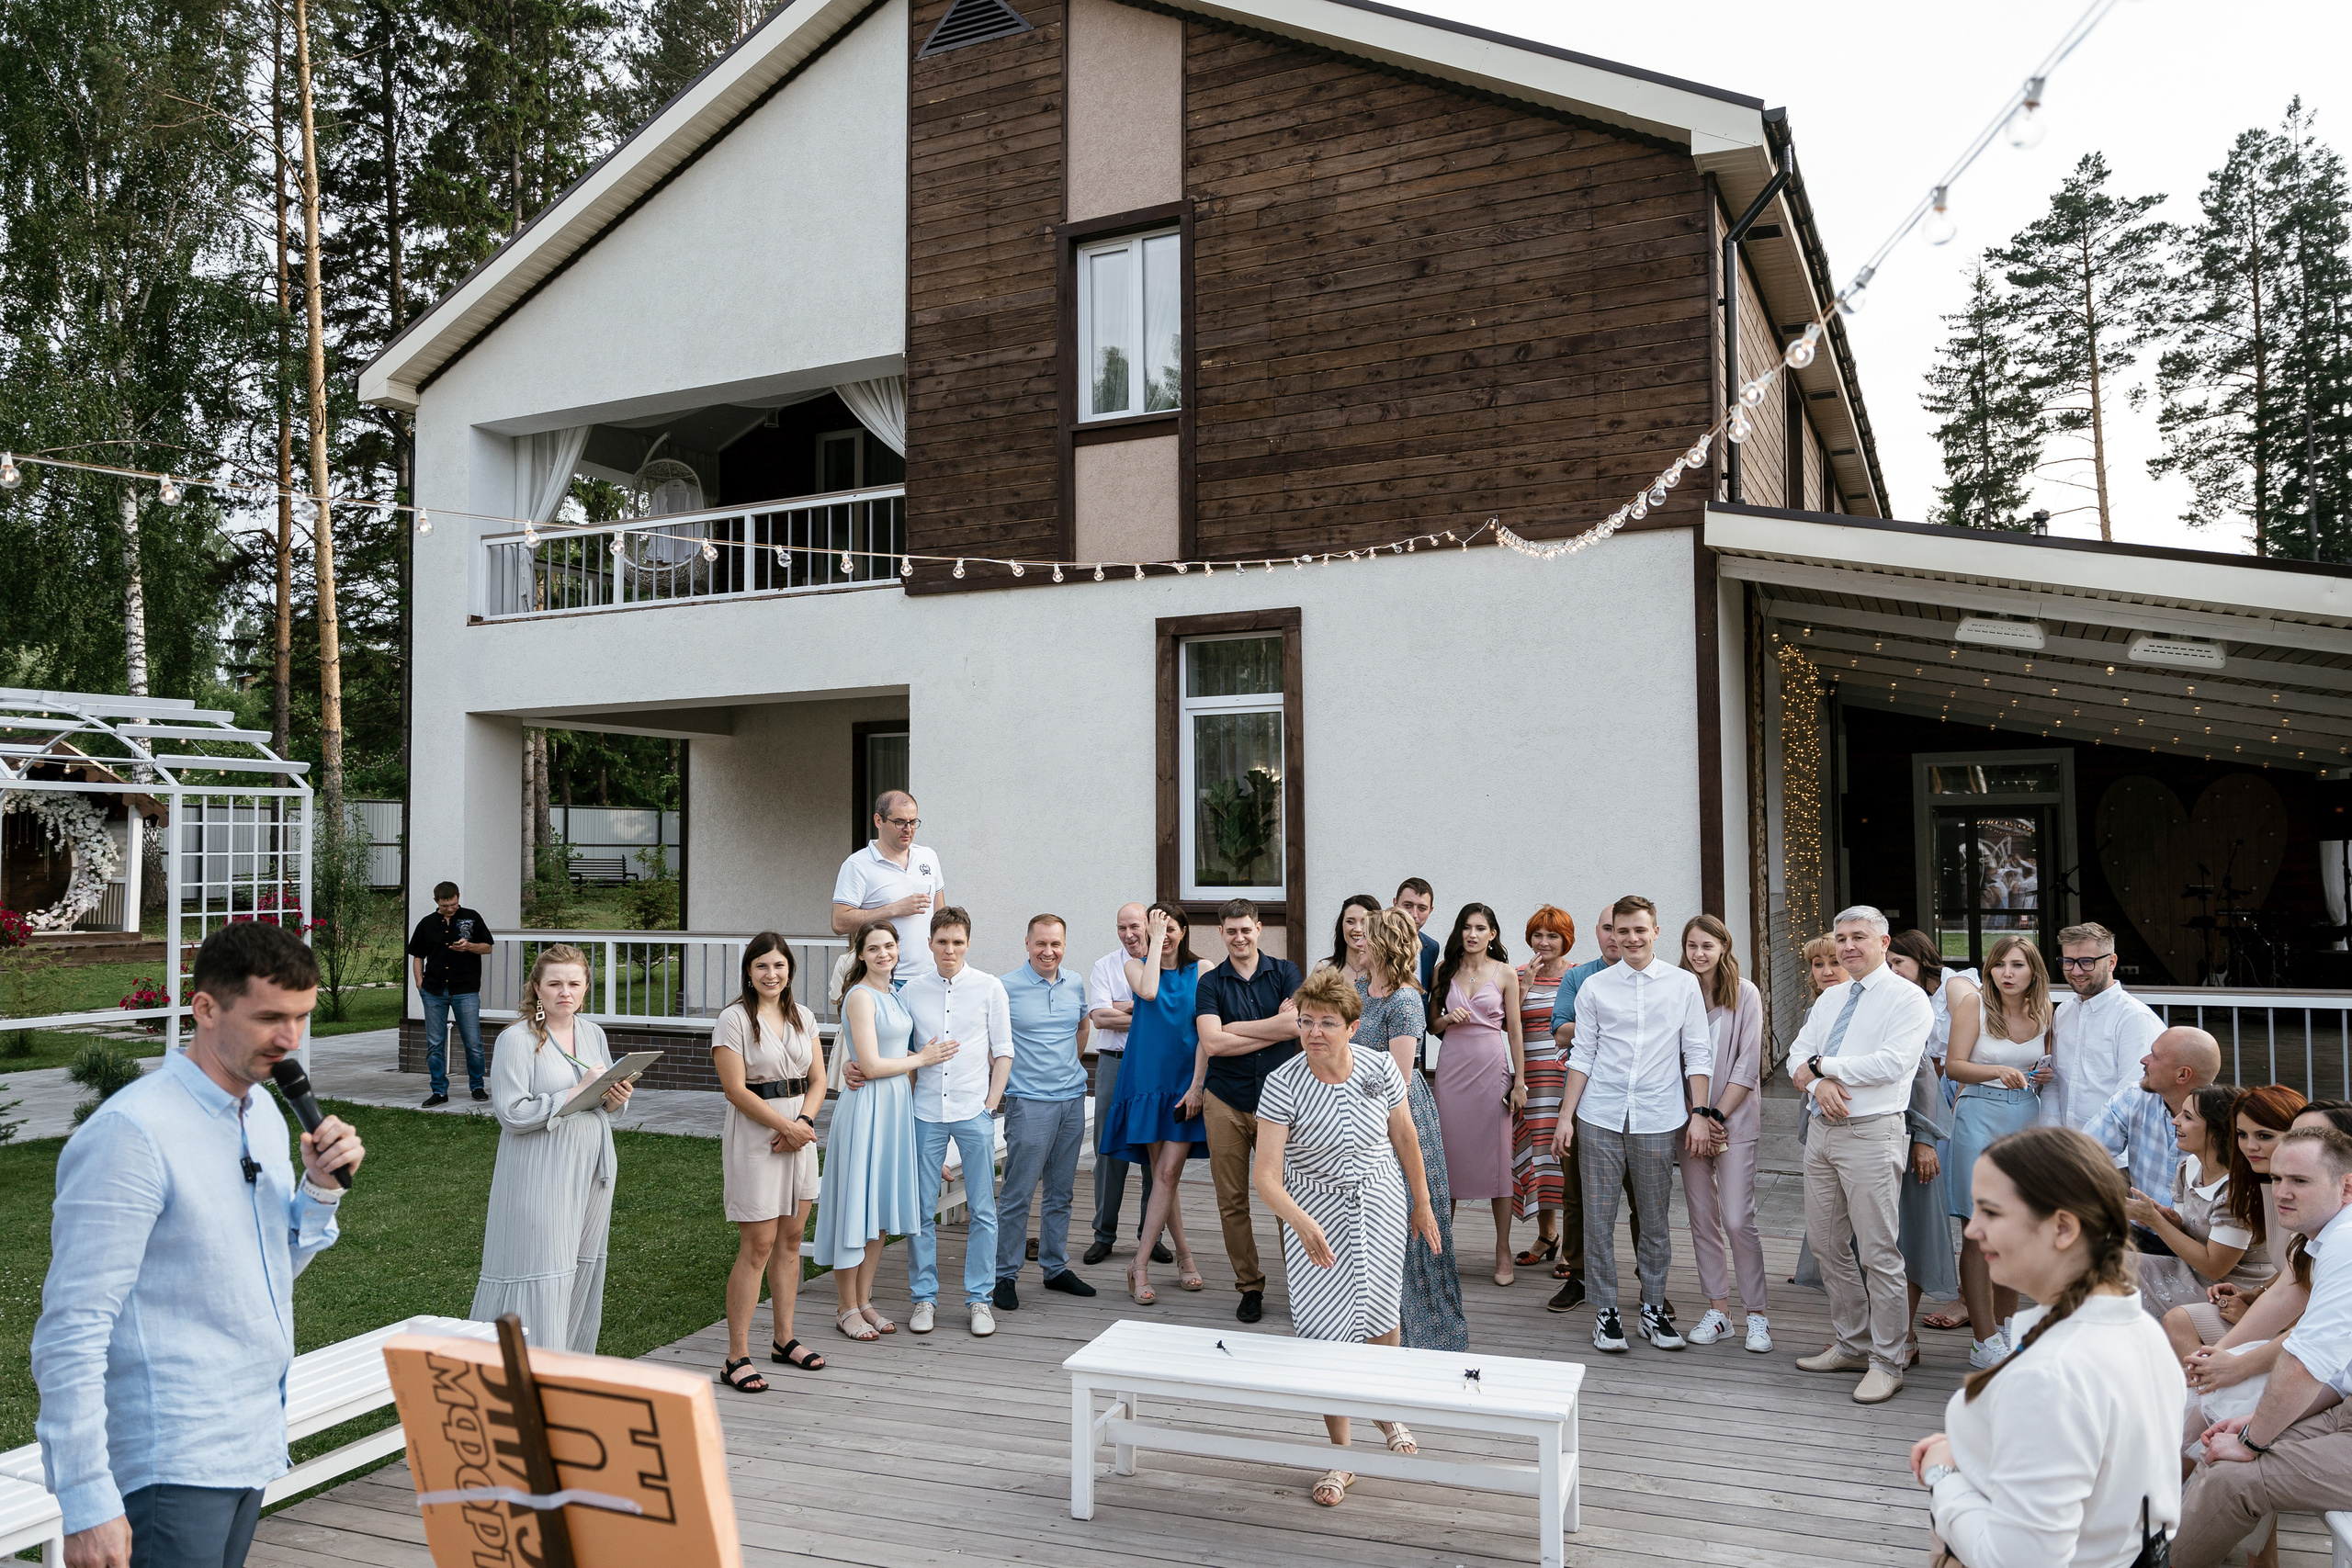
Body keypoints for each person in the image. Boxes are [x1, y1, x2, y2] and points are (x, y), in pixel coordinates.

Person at [32, 922, 364, 1568]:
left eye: (301, 1016)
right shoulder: (132, 1133)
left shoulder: (263, 1112)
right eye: (270, 1016)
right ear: (206, 1008)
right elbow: (70, 1330)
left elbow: (261, 1269)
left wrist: (320, 1189)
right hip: (171, 1458)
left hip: (251, 1438)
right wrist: (85, 1497)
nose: (289, 1038)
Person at [1909, 1125, 2184, 1568]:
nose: (1974, 1229)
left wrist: (1946, 1475)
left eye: (1991, 1212)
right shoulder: (2140, 1329)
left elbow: (2018, 1560)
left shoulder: (2051, 1374)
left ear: (2062, 1227)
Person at [1250, 965, 1446, 1509]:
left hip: (1380, 1200)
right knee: (1323, 1334)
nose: (1315, 1031)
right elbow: (1265, 1176)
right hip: (1312, 1208)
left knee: (1383, 1316)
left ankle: (1386, 1410)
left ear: (1352, 1027)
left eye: (1327, 1022)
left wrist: (1423, 1204)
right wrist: (1301, 1220)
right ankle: (1342, 1454)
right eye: (1306, 1021)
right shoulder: (1282, 1082)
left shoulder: (1380, 1068)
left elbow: (1404, 1135)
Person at [2173, 1126, 2352, 1567]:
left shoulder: (2346, 1245)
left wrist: (2253, 1442)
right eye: (2277, 1179)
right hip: (2344, 1406)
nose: (2282, 1193)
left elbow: (2304, 1363)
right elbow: (2338, 1370)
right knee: (2219, 1449)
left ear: (2347, 1187)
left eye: (2301, 1181)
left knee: (2235, 1477)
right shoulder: (2326, 1239)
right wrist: (2252, 1425)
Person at [1789, 905, 1934, 1404]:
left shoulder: (1907, 998)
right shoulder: (1830, 1000)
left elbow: (1894, 1064)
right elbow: (1795, 1056)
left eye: (1859, 938)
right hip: (1823, 1133)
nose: (1848, 947)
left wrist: (1824, 1067)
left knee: (1878, 1252)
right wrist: (1819, 1080)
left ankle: (1889, 1360)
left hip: (1872, 1134)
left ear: (1884, 942)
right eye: (1841, 937)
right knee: (1828, 1245)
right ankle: (1852, 1342)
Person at [1555, 896, 1713, 1354]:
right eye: (1621, 931)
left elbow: (1697, 1054)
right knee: (1599, 1218)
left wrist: (1700, 1114)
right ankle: (1605, 1312)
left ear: (1656, 932)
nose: (1630, 939)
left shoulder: (1683, 985)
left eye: (1639, 930)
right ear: (1610, 935)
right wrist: (1565, 1118)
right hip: (1600, 1115)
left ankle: (1652, 1307)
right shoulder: (1595, 988)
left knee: (1654, 1218)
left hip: (1658, 1116)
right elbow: (1581, 1056)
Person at [471, 943, 633, 1352]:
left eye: (574, 983)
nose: (566, 992)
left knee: (582, 1267)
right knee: (542, 1265)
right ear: (537, 989)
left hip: (592, 1169)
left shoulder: (593, 1033)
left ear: (585, 988)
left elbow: (605, 1102)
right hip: (540, 1170)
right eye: (555, 983)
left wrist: (616, 1098)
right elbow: (511, 1113)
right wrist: (573, 1091)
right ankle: (523, 1367)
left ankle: (571, 1369)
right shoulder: (517, 1039)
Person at [813, 922, 943, 1342]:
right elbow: (868, 1065)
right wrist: (921, 1059)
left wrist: (911, 1058)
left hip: (894, 1109)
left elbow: (888, 1053)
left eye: (889, 945)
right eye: (874, 948)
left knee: (881, 1212)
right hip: (867, 1108)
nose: (884, 953)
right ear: (861, 954)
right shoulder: (860, 996)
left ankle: (865, 1300)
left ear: (898, 949)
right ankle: (844, 1307)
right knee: (858, 1209)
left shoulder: (894, 996)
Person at [712, 933, 828, 1389]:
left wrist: (801, 1123)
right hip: (757, 1135)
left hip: (799, 1130)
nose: (771, 974)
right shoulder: (734, 1019)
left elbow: (817, 1079)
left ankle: (784, 1340)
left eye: (779, 966)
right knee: (758, 1245)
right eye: (762, 966)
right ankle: (735, 1356)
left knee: (792, 1239)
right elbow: (735, 1089)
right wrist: (784, 1129)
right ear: (748, 971)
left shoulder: (804, 1017)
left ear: (789, 970)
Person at [899, 907, 1013, 1337]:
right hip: (924, 1114)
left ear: (968, 943)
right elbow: (904, 1054)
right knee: (922, 1210)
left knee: (984, 1209)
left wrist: (989, 1106)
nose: (949, 949)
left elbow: (1003, 1051)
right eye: (942, 941)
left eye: (957, 942)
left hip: (973, 1112)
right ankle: (923, 1297)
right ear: (929, 943)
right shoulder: (911, 990)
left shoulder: (989, 987)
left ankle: (980, 1299)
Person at [1944, 934, 2057, 1370]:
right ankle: (1982, 1336)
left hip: (2026, 1118)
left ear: (2034, 972)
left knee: (2017, 1228)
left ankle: (2008, 1328)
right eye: (1999, 965)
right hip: (1979, 1114)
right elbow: (1954, 1065)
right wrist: (1997, 1070)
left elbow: (2044, 1067)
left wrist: (2042, 1074)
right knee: (1979, 1226)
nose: (2007, 974)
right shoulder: (1974, 1005)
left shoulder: (2047, 1012)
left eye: (2018, 965)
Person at [1358, 908, 1467, 1351]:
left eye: (1367, 937)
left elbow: (1398, 1082)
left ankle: (1424, 1337)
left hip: (1396, 1119)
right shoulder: (1362, 991)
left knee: (1409, 1225)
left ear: (1384, 944)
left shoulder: (1404, 1000)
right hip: (1363, 1114)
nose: (1359, 942)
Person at [1194, 898, 1306, 1323]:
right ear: (1221, 933)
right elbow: (1212, 1045)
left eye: (1246, 929)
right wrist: (1270, 1031)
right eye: (1231, 931)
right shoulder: (1210, 983)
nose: (1239, 937)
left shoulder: (1286, 973)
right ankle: (1250, 1286)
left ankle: (1301, 1283)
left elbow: (1296, 1025)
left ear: (1259, 929)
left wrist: (1234, 1028)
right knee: (1232, 1200)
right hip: (1224, 1099)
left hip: (1279, 1101)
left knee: (1286, 1197)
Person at [1100, 902, 1210, 1303]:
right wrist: (1154, 939)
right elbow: (1148, 991)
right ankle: (1184, 1257)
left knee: (1168, 1174)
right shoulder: (1135, 967)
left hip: (1184, 1081)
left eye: (1170, 928)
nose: (1164, 937)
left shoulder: (1204, 970)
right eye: (1154, 929)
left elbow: (1207, 1029)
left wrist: (1199, 1083)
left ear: (1184, 929)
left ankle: (1140, 1265)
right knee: (1165, 1175)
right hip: (1146, 1079)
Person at [994, 915, 1099, 1310]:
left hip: (1072, 1100)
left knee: (1062, 1192)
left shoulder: (1073, 982)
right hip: (1028, 1102)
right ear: (1026, 943)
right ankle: (1004, 1275)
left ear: (1065, 945)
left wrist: (1068, 1066)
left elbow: (1082, 1025)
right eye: (1041, 943)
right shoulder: (1004, 987)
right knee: (1018, 1193)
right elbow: (990, 1040)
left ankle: (1055, 1268)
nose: (1048, 951)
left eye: (1055, 944)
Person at [1677, 914, 1770, 1353]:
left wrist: (1713, 1115)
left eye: (1707, 947)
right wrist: (1695, 1119)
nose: (1699, 954)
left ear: (1723, 949)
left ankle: (1757, 1316)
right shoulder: (1677, 991)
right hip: (1687, 1124)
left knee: (1737, 1218)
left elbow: (1747, 1066)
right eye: (1692, 945)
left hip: (1732, 1121)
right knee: (1702, 1220)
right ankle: (1719, 1311)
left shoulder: (1745, 993)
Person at [1428, 903, 1526, 1285]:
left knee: (1498, 1162)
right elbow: (1432, 1023)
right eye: (1467, 927)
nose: (1472, 934)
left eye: (1480, 928)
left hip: (1491, 1069)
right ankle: (1441, 1251)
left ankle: (1503, 1251)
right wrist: (1447, 1019)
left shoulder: (1505, 974)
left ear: (1493, 934)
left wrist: (1520, 1081)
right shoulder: (1443, 971)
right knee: (1448, 1159)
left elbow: (1514, 1030)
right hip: (1452, 1069)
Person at [2165, 1082, 2302, 1353]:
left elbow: (2318, 1283)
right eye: (2242, 1134)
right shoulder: (2262, 1186)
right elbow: (2293, 1270)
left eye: (2264, 1136)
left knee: (2181, 1323)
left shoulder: (2307, 1194)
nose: (2250, 1146)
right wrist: (2256, 1295)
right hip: (2272, 1303)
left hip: (2308, 1325)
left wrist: (2260, 1317)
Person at [1544, 907, 1623, 1313]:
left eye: (1624, 929)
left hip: (1636, 1101)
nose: (1616, 936)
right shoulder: (1579, 977)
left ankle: (1651, 1286)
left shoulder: (1651, 979)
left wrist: (1591, 1023)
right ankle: (1577, 1275)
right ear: (1598, 932)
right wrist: (1616, 1021)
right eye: (1609, 928)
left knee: (1642, 1198)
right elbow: (1560, 1032)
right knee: (1574, 1192)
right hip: (1581, 1095)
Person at [1082, 904, 1165, 1267]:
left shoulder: (1167, 960)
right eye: (1121, 928)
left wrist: (1124, 1007)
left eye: (1134, 926)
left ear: (1148, 926)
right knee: (1108, 1150)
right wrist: (1144, 1009)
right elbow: (1100, 1018)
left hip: (1155, 1066)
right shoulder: (1105, 966)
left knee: (1155, 1153)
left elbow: (1171, 1012)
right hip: (1113, 1065)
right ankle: (1104, 1234)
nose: (1129, 934)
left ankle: (1153, 1234)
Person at [2131, 1085, 2251, 1323]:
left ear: (2217, 1129)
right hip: (2189, 1272)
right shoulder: (2190, 1166)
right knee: (2105, 1262)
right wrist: (2169, 1220)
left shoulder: (2237, 1189)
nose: (2175, 1121)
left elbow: (2214, 1267)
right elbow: (2187, 1238)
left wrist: (2155, 1220)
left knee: (2115, 1281)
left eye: (2187, 1117)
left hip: (2230, 1291)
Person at [2046, 921, 2165, 1132]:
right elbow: (2055, 1081)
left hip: (2113, 1156)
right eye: (2068, 961)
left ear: (2111, 962)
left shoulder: (2134, 1018)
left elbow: (2132, 1095)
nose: (2076, 971)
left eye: (2086, 961)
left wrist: (2089, 1147)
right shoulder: (2063, 1012)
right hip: (2066, 1148)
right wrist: (2054, 1140)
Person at [1512, 906, 1576, 1273]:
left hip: (1565, 1079)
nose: (1544, 942)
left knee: (1566, 1158)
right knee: (1538, 1157)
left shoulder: (1577, 975)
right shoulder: (1519, 974)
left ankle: (1571, 1244)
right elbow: (1505, 1025)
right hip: (1530, 1081)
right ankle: (1547, 1234)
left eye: (1552, 935)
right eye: (1538, 935)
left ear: (1565, 939)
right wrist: (1524, 988)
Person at [830, 789, 944, 983]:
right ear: (878, 821)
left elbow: (940, 915)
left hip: (930, 977)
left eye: (913, 822)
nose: (908, 829)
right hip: (886, 979)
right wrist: (894, 909)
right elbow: (839, 923)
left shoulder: (928, 856)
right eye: (899, 822)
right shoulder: (857, 865)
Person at [407, 880, 494, 1105]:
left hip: (465, 988)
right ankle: (439, 1091)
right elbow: (417, 955)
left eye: (454, 904)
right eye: (446, 905)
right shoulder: (427, 924)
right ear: (436, 901)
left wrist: (470, 947)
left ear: (458, 898)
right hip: (434, 990)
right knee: (435, 1043)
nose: (451, 909)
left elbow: (488, 946)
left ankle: (477, 1086)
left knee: (472, 1042)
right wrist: (419, 982)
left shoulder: (472, 917)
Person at [1393, 877, 1438, 990]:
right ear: (1395, 903)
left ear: (1430, 911)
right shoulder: (1375, 942)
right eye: (1408, 905)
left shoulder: (1432, 947)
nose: (1413, 914)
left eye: (1422, 908)